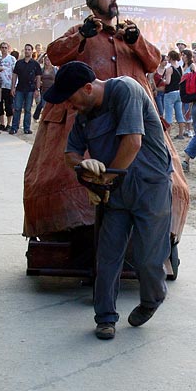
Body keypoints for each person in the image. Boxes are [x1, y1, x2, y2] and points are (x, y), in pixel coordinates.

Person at [33, 0, 188, 248]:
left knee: (155, 174)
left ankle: (149, 235)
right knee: (69, 175)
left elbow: (153, 61)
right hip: (83, 120)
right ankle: (72, 235)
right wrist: (82, 34)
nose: (113, 0)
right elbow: (55, 54)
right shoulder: (80, 31)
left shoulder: (129, 33)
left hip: (134, 119)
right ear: (92, 1)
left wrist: (137, 40)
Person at [44, 61, 173, 340]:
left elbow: (133, 143)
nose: (69, 106)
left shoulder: (125, 90)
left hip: (150, 187)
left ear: (88, 88)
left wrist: (104, 180)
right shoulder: (84, 113)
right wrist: (84, 164)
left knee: (149, 258)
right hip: (115, 192)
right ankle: (105, 317)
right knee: (107, 256)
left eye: (70, 99)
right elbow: (70, 154)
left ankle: (152, 298)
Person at [10, 43, 41, 135]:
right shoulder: (19, 63)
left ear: (32, 51)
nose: (27, 51)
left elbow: (38, 77)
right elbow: (14, 75)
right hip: (19, 88)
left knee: (28, 109)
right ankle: (14, 127)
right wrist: (13, 87)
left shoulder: (35, 64)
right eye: (26, 49)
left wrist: (37, 89)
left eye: (29, 49)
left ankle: (26, 128)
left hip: (30, 89)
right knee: (17, 108)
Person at [162, 50, 185, 139]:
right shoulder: (180, 68)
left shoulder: (169, 69)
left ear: (170, 57)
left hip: (170, 93)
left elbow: (167, 82)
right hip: (178, 92)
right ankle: (181, 134)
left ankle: (168, 135)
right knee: (179, 113)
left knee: (168, 114)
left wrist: (162, 81)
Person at [0, 42, 16, 130]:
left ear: (8, 49)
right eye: (2, 47)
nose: (4, 49)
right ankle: (1, 123)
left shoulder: (12, 59)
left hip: (8, 85)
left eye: (5, 48)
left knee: (9, 105)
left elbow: (15, 72)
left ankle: (9, 124)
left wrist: (14, 86)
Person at [33, 54, 56, 122]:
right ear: (44, 61)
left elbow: (57, 78)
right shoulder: (42, 70)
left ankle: (41, 117)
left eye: (49, 60)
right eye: (46, 60)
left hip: (52, 89)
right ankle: (39, 117)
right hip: (44, 89)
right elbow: (37, 78)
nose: (48, 61)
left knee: (48, 104)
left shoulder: (54, 70)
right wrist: (39, 83)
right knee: (43, 104)